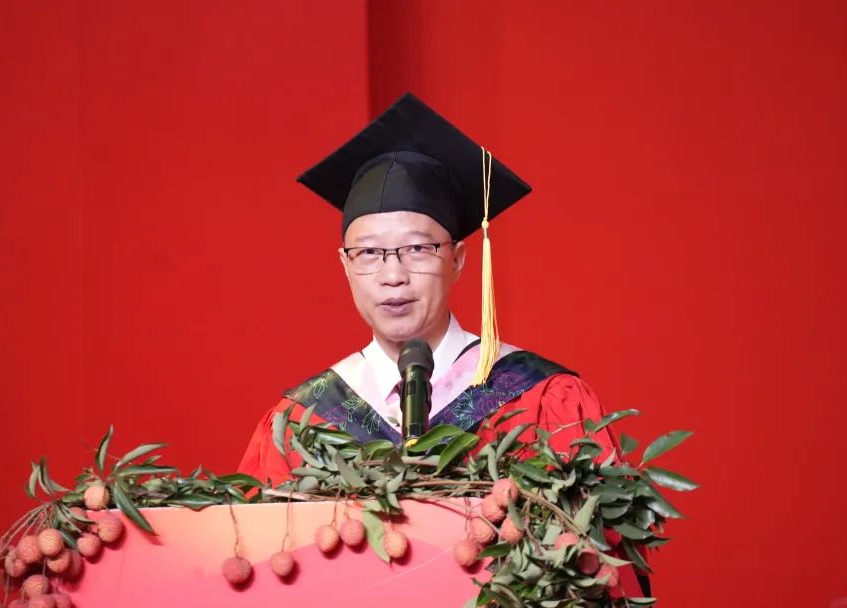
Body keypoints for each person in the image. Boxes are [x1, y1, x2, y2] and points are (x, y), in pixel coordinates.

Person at [236, 93, 647, 594]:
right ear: (344, 264)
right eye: (369, 253)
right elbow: (257, 570)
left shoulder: (542, 399)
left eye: (417, 248)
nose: (393, 275)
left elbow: (600, 573)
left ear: (458, 259)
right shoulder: (301, 421)